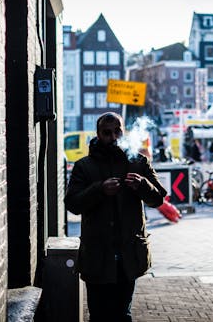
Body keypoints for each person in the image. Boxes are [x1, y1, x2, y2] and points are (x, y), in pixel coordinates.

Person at [65, 112, 167, 322]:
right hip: (97, 256)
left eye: (117, 131)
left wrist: (142, 185)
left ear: (123, 131)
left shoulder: (139, 162)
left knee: (122, 315)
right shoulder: (84, 166)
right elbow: (72, 204)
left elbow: (158, 199)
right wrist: (99, 189)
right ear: (98, 134)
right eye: (107, 133)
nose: (113, 137)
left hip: (128, 254)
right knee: (99, 315)